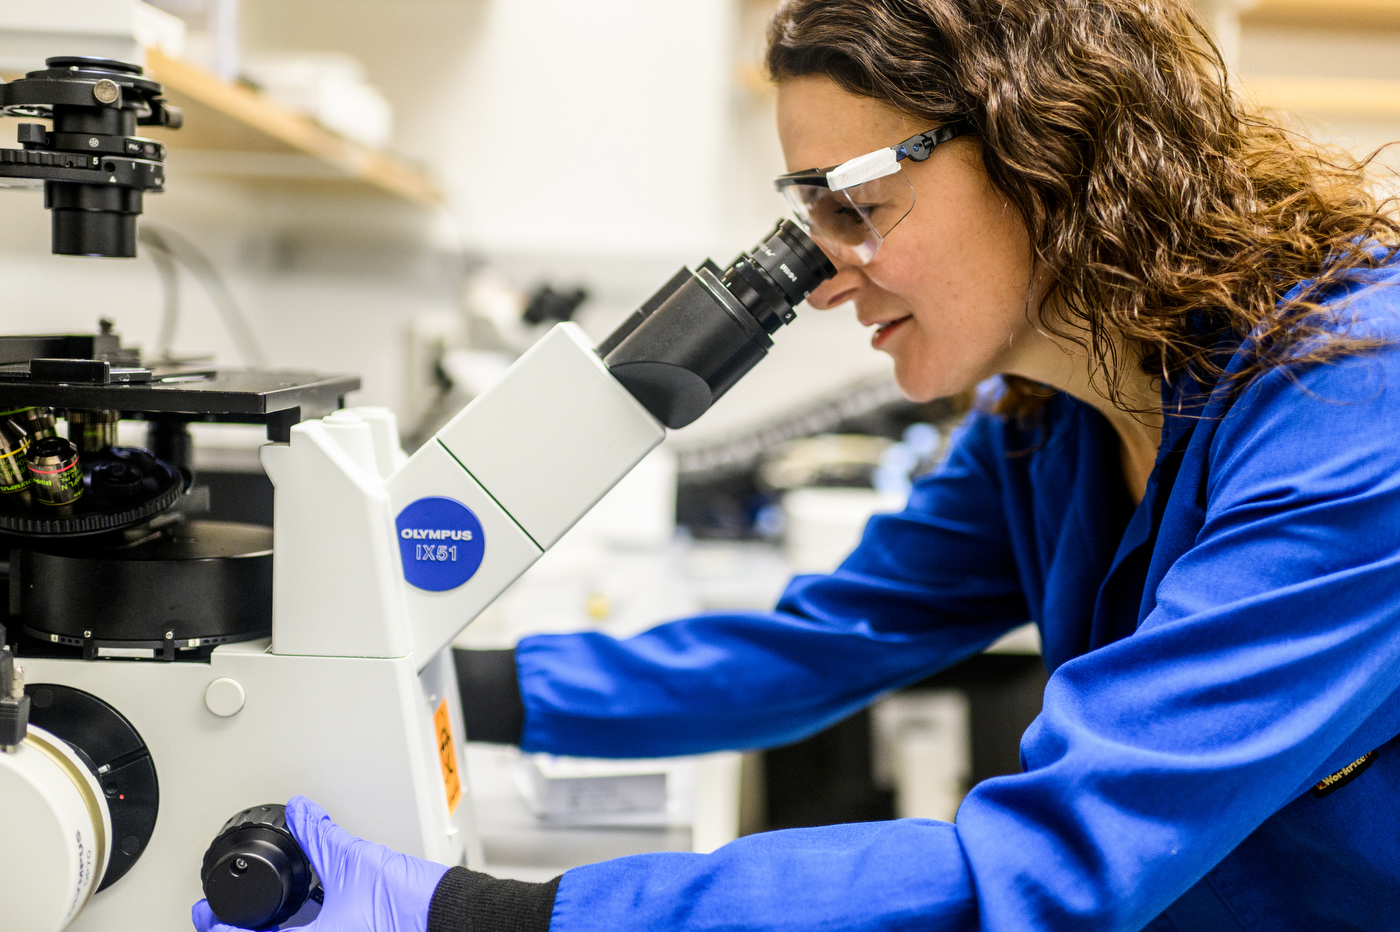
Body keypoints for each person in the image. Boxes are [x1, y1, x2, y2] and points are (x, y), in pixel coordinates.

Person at [195, 0, 1400, 930]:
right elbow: (825, 640)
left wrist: (481, 913)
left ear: (1051, 148)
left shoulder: (1356, 410)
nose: (822, 274)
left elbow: (1051, 864)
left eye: (858, 204)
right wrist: (436, 682)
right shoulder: (1051, 413)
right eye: (805, 215)